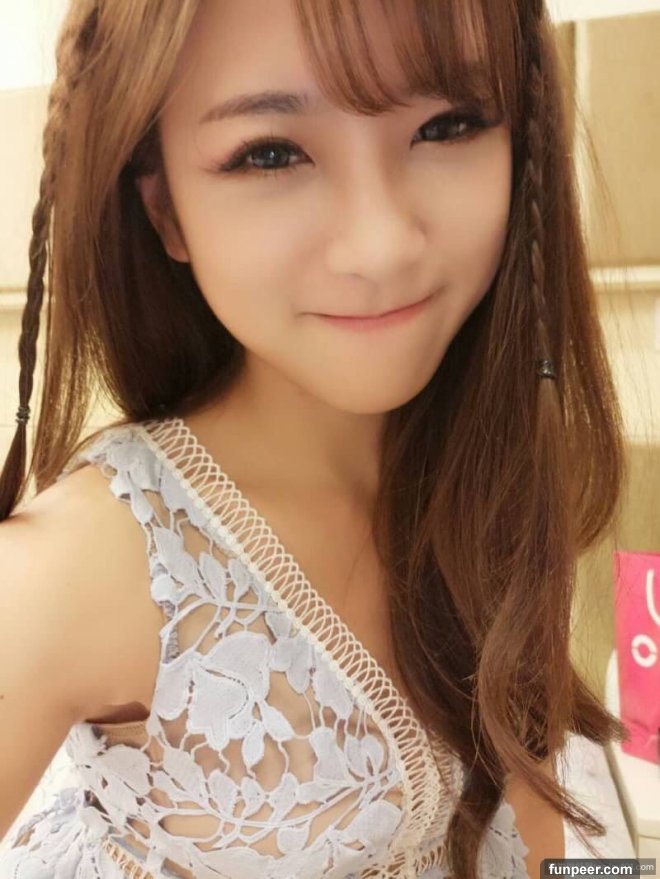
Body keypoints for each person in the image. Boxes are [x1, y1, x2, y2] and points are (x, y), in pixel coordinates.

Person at [0, 0, 628, 877]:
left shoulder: (491, 468)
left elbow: (530, 818)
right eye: (269, 153)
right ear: (164, 206)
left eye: (448, 124)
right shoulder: (91, 563)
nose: (380, 244)